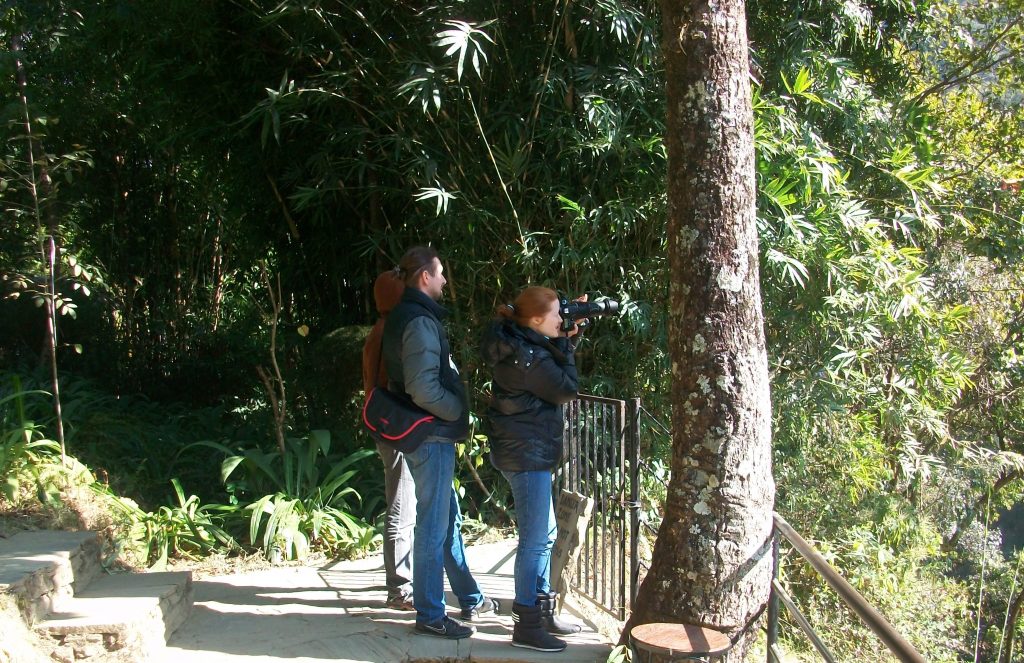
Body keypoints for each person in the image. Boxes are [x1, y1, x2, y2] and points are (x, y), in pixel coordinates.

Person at [381, 246, 496, 640]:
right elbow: (422, 387)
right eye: (441, 272)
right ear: (425, 277)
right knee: (432, 526)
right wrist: (456, 412)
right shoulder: (418, 320)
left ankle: (468, 597)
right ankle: (430, 613)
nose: (445, 279)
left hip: (425, 433)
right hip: (430, 434)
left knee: (444, 520)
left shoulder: (406, 314)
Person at [479, 286, 585, 652]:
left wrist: (563, 338)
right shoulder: (529, 356)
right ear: (537, 320)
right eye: (557, 314)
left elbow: (549, 368)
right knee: (535, 541)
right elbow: (566, 388)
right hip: (527, 456)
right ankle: (527, 623)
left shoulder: (520, 342)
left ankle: (542, 612)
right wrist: (568, 347)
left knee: (546, 534)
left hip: (523, 450)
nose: (562, 319)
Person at [361, 269, 416, 611]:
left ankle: (402, 585)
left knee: (402, 502)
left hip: (386, 426)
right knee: (401, 506)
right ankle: (399, 589)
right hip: (397, 429)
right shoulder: (391, 333)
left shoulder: (376, 331)